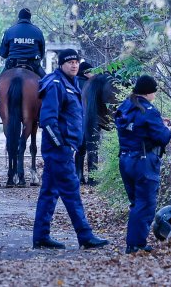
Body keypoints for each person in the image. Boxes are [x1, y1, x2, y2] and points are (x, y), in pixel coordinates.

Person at [32, 49, 109, 250]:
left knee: (49, 192)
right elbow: (48, 120)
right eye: (70, 62)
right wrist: (63, 146)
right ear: (61, 65)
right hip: (59, 150)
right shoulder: (56, 85)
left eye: (76, 62)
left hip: (64, 149)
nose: (74, 65)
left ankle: (40, 237)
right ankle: (85, 235)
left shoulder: (71, 83)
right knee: (72, 192)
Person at [115, 75, 171, 254]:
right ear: (149, 91)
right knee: (145, 203)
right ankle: (136, 245)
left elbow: (136, 129)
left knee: (136, 203)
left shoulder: (125, 106)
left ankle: (133, 243)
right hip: (144, 162)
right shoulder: (149, 110)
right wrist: (167, 128)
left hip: (125, 159)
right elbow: (162, 138)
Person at [0, 8, 45, 78]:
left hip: (12, 64)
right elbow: (42, 54)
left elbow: (3, 54)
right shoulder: (38, 31)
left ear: (19, 17)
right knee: (48, 84)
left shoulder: (9, 31)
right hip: (33, 64)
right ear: (30, 17)